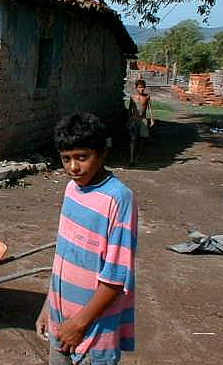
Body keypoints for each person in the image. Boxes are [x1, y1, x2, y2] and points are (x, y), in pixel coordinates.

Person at [36, 112, 138, 365]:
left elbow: (116, 276)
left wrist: (79, 325)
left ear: (102, 153)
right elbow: (63, 256)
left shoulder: (118, 199)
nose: (73, 167)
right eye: (66, 159)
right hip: (61, 323)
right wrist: (48, 306)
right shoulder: (72, 189)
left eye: (82, 157)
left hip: (93, 332)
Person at [127, 79, 154, 164]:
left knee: (142, 139)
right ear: (136, 88)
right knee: (133, 138)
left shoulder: (147, 97)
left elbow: (149, 108)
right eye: (139, 87)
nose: (141, 89)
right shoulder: (132, 96)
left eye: (142, 87)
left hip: (143, 119)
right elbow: (130, 108)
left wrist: (152, 119)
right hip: (134, 119)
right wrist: (128, 119)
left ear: (145, 88)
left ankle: (138, 155)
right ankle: (131, 158)